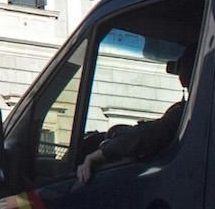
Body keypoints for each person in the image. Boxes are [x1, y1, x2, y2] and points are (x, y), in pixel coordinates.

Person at [76, 41, 196, 184]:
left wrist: (94, 156)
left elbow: (148, 135)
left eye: (181, 65)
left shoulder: (185, 112)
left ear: (184, 75)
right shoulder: (193, 109)